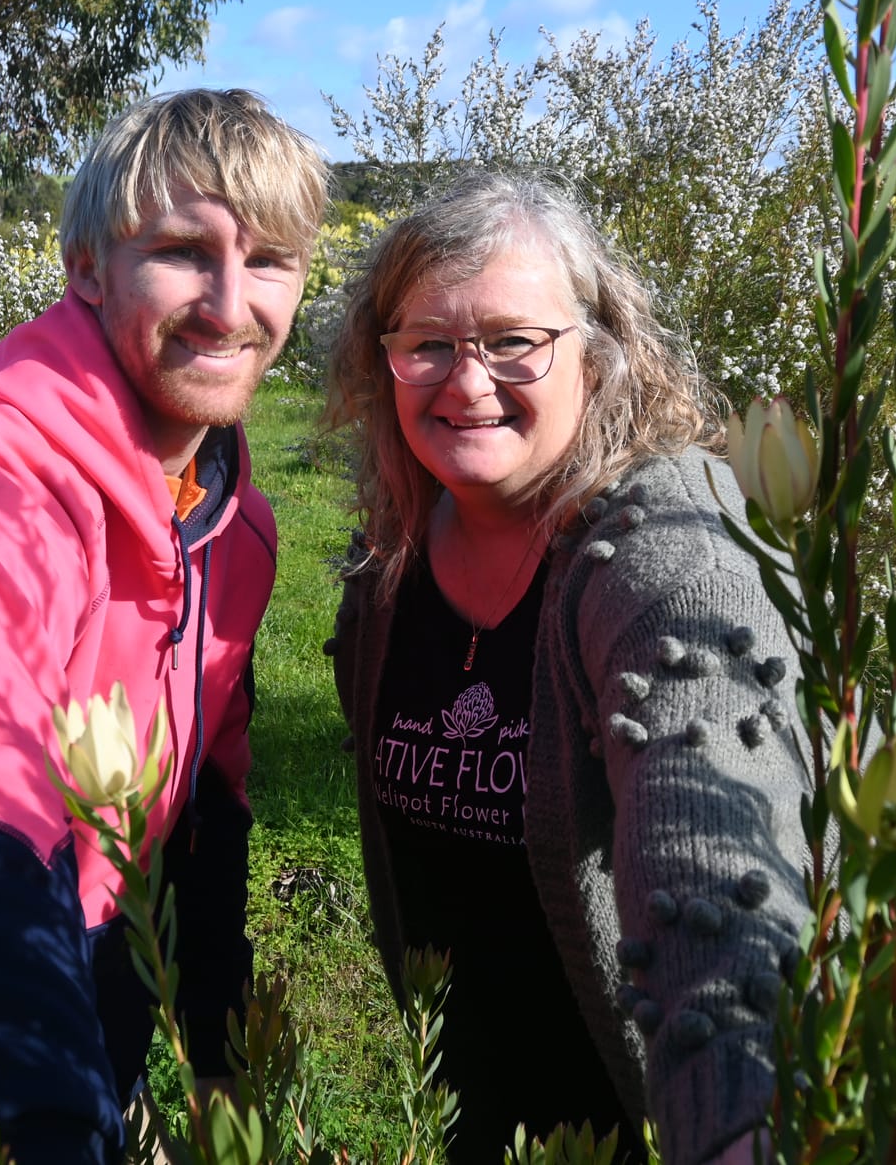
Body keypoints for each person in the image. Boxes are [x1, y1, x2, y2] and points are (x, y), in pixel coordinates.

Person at [0, 88, 327, 1163]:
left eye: (269, 259)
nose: (231, 304)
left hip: (96, 964)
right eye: (184, 251)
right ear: (87, 267)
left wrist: (217, 1052)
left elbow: (207, 803)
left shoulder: (234, 521)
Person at [324, 171, 812, 1165]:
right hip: (477, 1115)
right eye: (427, 345)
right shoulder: (388, 565)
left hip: (656, 1115)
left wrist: (726, 1118)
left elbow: (712, 839)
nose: (466, 383)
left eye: (511, 341)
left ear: (596, 352)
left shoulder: (675, 550)